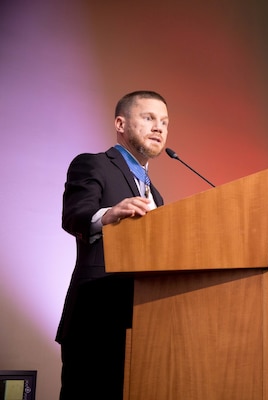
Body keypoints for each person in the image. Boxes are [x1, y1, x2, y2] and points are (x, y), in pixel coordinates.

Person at [55, 91, 169, 400]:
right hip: (96, 316)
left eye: (164, 122)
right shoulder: (93, 165)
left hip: (140, 323)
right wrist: (109, 215)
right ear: (121, 123)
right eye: (148, 118)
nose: (159, 128)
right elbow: (74, 216)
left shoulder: (155, 196)